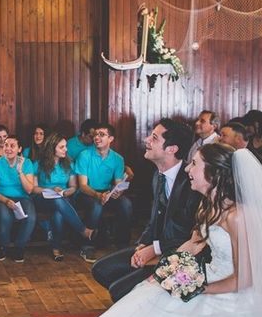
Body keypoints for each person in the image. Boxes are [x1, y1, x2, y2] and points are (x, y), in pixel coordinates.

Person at [48, 144, 262, 317]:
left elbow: (245, 279)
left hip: (232, 297)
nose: (188, 169)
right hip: (204, 278)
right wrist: (165, 273)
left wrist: (199, 288)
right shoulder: (209, 206)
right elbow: (193, 244)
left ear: (214, 174)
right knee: (145, 299)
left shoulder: (238, 217)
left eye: (194, 164)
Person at [91, 118, 201, 301]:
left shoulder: (191, 182)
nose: (146, 140)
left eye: (154, 138)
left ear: (171, 149)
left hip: (180, 255)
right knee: (101, 269)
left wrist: (154, 249)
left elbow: (188, 234)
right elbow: (154, 219)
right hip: (157, 246)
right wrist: (143, 244)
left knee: (119, 290)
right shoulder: (158, 176)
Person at [75, 123, 132, 263]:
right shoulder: (84, 155)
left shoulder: (117, 158)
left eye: (102, 135)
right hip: (87, 193)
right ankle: (87, 245)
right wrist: (97, 195)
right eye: (95, 135)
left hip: (106, 192)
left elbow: (118, 183)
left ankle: (122, 243)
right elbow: (82, 185)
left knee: (126, 204)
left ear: (111, 138)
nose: (97, 137)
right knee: (96, 206)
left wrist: (119, 192)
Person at [33, 133, 95, 262]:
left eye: (65, 146)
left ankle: (56, 248)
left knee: (58, 211)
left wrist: (68, 191)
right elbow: (34, 188)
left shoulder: (68, 163)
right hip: (42, 198)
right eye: (62, 147)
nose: (66, 149)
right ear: (52, 148)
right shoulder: (38, 164)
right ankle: (82, 230)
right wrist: (50, 189)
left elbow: (73, 186)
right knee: (57, 200)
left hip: (63, 197)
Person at [0, 135, 37, 262]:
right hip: (1, 198)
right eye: (6, 145)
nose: (8, 149)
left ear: (19, 149)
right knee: (5, 216)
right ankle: (3, 246)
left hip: (22, 197)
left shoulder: (26, 163)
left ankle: (19, 247)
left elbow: (29, 189)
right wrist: (5, 200)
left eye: (12, 146)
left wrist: (20, 171)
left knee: (30, 217)